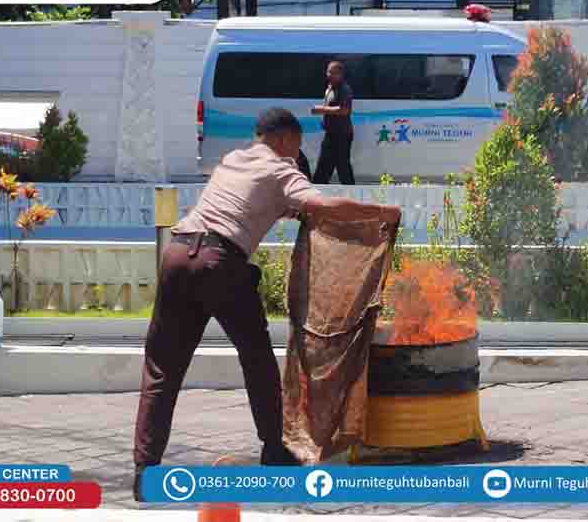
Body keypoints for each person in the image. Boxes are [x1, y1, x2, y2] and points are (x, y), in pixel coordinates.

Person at [132, 107, 400, 500]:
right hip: (220, 264)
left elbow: (261, 203)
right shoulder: (280, 168)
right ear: (284, 140)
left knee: (161, 369)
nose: (297, 156)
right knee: (257, 360)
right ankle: (274, 450)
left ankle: (145, 471)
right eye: (295, 148)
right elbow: (320, 206)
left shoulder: (233, 161)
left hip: (177, 255)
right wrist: (380, 212)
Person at [311, 61, 355, 185]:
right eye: (329, 71)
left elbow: (345, 110)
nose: (330, 74)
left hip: (341, 135)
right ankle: (318, 192)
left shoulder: (344, 89)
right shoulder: (330, 88)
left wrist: (321, 110)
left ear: (341, 74)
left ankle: (352, 195)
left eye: (334, 72)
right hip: (331, 133)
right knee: (324, 167)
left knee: (342, 167)